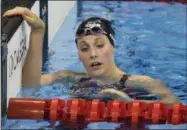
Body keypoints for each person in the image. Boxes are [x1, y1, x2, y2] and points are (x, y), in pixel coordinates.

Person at [3, 7, 179, 105]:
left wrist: (130, 103)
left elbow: (175, 104)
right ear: (79, 55)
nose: (93, 54)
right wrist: (37, 31)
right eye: (84, 48)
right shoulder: (69, 77)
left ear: (113, 47)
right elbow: (30, 84)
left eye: (100, 45)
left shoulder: (143, 82)